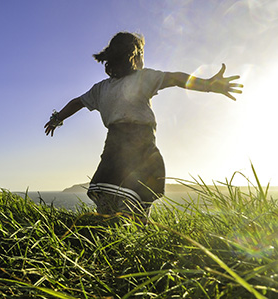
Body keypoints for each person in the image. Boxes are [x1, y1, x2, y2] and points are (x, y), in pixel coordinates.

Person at [44, 32, 243, 221]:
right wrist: (208, 85)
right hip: (140, 150)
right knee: (136, 206)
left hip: (111, 156)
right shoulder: (142, 78)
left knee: (108, 207)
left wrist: (56, 119)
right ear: (135, 57)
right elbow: (175, 78)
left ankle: (107, 240)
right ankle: (132, 240)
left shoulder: (101, 88)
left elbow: (77, 102)